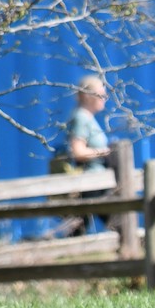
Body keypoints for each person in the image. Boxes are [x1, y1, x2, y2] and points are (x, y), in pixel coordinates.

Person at [59, 75, 113, 235]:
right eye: (100, 94)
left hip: (97, 180)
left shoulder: (87, 118)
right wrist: (104, 152)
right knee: (117, 222)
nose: (104, 98)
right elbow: (78, 151)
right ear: (87, 96)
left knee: (79, 227)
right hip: (91, 182)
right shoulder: (81, 117)